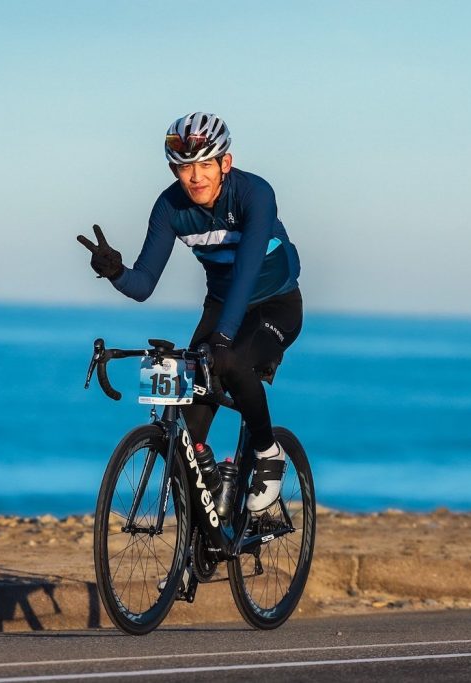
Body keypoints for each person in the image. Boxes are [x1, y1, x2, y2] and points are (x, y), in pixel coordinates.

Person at [77, 112, 303, 513]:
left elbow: (247, 272)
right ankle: (202, 526)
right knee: (188, 431)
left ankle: (269, 454)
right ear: (173, 170)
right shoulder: (169, 207)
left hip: (273, 303)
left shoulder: (255, 194)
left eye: (204, 165)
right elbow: (143, 285)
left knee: (229, 362)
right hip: (220, 307)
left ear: (225, 164)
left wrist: (221, 340)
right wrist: (115, 272)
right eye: (185, 168)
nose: (195, 176)